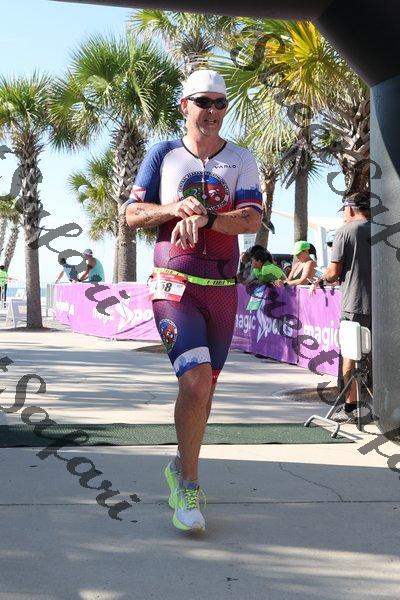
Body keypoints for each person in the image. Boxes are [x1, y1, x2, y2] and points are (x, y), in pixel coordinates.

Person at [125, 69, 262, 532]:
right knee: (195, 380)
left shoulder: (241, 158)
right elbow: (131, 215)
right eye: (203, 102)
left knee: (206, 392)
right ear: (185, 106)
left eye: (220, 103)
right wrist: (173, 209)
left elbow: (251, 220)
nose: (212, 111)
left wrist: (207, 218)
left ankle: (179, 464)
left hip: (222, 289)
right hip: (173, 282)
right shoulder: (163, 154)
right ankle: (188, 484)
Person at [311, 192, 371, 423]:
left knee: (350, 355)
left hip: (355, 303)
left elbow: (333, 272)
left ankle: (350, 407)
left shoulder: (345, 231)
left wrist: (322, 279)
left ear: (351, 209)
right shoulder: (383, 229)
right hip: (384, 306)